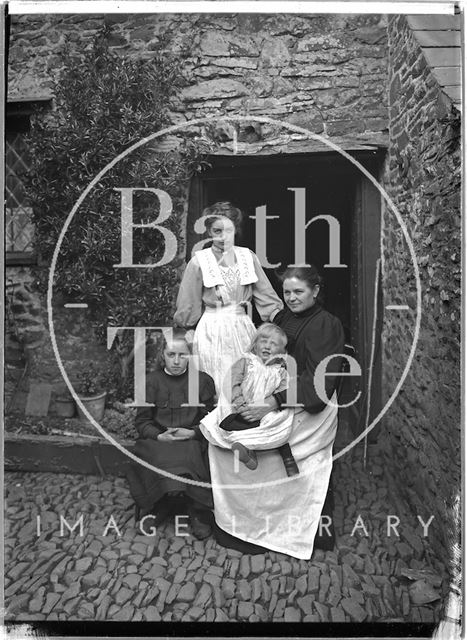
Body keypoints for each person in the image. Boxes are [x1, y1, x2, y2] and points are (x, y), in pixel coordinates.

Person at [201, 265, 345, 559]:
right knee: (222, 429)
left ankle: (270, 528)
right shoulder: (286, 318)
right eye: (287, 292)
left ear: (315, 292)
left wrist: (272, 402)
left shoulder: (325, 325)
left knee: (245, 440)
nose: (292, 298)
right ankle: (238, 522)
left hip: (307, 406)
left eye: (299, 292)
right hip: (277, 392)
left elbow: (319, 386)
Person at [173, 201, 283, 392]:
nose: (223, 237)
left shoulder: (248, 257)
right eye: (217, 231)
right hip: (211, 330)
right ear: (208, 231)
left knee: (246, 381)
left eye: (229, 231)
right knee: (214, 380)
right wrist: (187, 329)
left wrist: (280, 323)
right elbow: (188, 305)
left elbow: (267, 297)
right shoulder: (199, 262)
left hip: (242, 327)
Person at [126, 329, 216, 540]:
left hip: (190, 439)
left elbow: (209, 419)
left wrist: (193, 433)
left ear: (189, 357)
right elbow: (142, 421)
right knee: (157, 454)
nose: (176, 361)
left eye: (182, 355)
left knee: (192, 454)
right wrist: (158, 436)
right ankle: (160, 505)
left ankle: (196, 510)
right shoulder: (151, 381)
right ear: (162, 356)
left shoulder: (202, 381)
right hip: (160, 438)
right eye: (170, 355)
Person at [199, 323, 299, 477]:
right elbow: (233, 382)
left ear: (282, 351)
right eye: (263, 341)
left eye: (273, 344)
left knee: (276, 424)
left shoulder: (280, 371)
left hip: (266, 408)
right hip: (241, 404)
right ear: (255, 344)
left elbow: (283, 391)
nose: (267, 346)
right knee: (233, 421)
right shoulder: (246, 362)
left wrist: (271, 406)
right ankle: (248, 453)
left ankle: (288, 458)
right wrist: (239, 401)